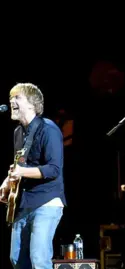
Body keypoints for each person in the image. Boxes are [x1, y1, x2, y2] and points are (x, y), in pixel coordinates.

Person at [0, 83, 66, 269]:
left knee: (39, 260)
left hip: (46, 201)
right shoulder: (18, 132)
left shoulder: (48, 129)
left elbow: (54, 169)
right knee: (17, 260)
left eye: (17, 98)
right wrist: (8, 180)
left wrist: (21, 171)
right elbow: (20, 163)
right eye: (11, 97)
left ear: (31, 104)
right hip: (23, 202)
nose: (11, 101)